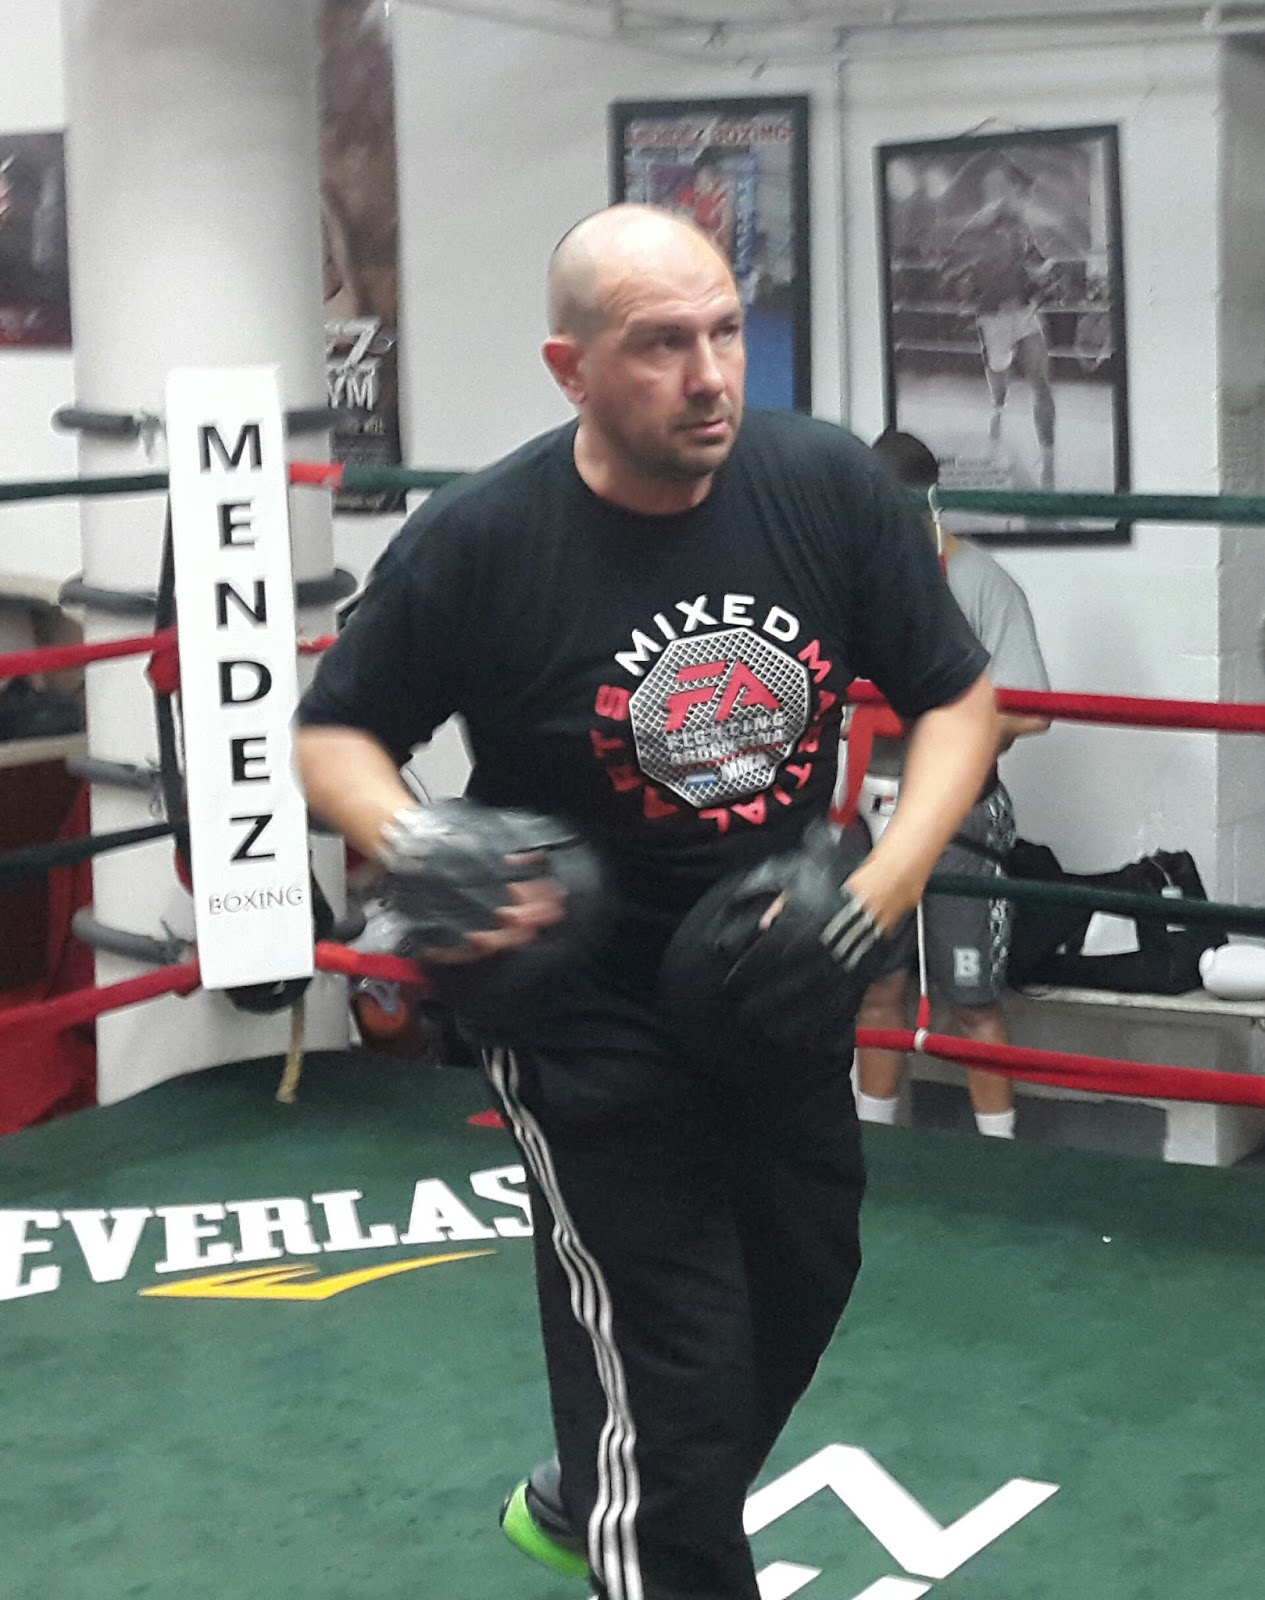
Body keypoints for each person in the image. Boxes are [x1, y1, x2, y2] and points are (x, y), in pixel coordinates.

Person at [294, 203, 1000, 1600]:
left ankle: (592, 1490)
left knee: (802, 1276)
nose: (710, 375)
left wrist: (880, 886)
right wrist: (416, 841)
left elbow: (956, 700)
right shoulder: (484, 538)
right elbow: (334, 737)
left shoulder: (826, 489)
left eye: (726, 331)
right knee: (673, 1370)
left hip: (777, 963)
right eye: (661, 344)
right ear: (570, 370)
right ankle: (642, 1502)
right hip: (578, 997)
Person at [851, 428, 1051, 1140]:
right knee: (878, 989)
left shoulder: (982, 583)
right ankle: (875, 1149)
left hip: (959, 813)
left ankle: (1000, 1159)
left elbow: (1031, 711)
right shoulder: (854, 582)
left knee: (970, 998)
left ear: (927, 503)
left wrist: (942, 729)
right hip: (871, 809)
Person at [944, 159, 1060, 488]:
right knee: (999, 369)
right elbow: (954, 265)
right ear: (1007, 190)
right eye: (1021, 191)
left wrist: (1045, 273)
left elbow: (1033, 258)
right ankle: (998, 404)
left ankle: (1048, 459)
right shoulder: (979, 226)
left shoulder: (1021, 224)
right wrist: (970, 284)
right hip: (993, 315)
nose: (1025, 198)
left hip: (1024, 312)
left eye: (1027, 193)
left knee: (1041, 382)